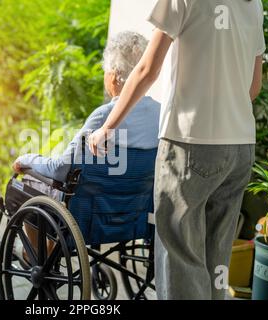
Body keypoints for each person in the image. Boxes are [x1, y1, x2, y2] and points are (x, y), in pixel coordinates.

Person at [88, 0, 265, 300]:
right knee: (215, 255)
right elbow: (253, 86)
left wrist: (108, 126)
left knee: (180, 256)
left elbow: (146, 69)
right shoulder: (254, 4)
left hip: (191, 143)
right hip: (240, 147)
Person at [11, 31, 161, 265]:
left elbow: (61, 169)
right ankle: (48, 251)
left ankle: (36, 256)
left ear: (113, 77)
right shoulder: (161, 115)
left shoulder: (104, 117)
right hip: (133, 215)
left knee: (24, 185)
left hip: (87, 217)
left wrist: (27, 159)